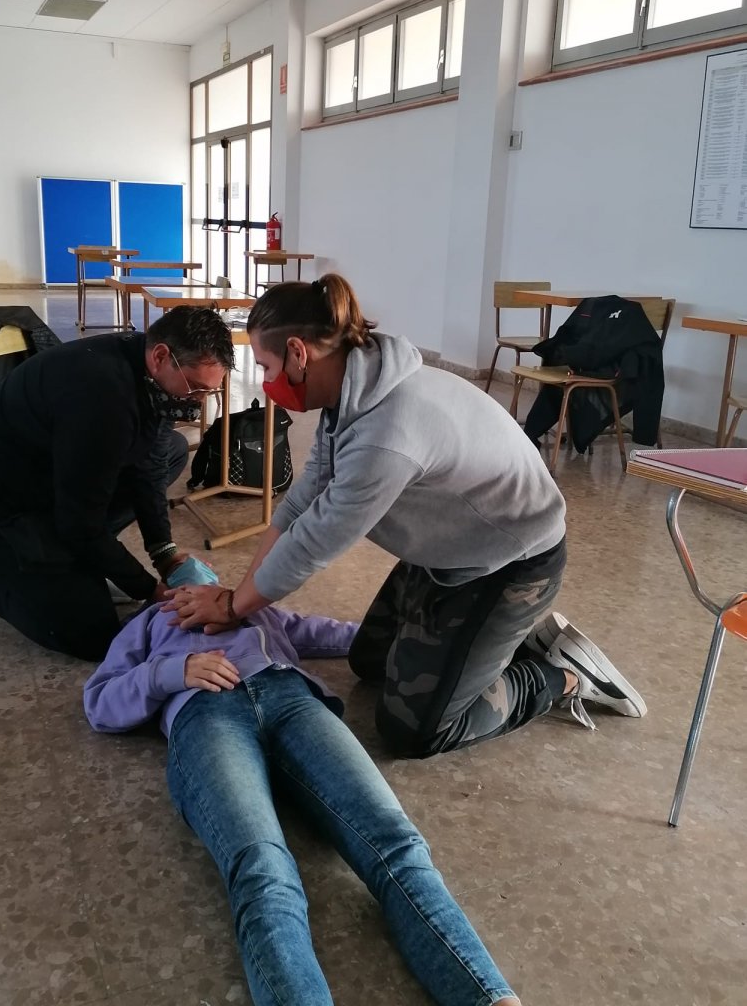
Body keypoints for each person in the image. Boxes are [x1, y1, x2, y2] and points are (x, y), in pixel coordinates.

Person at [162, 274, 646, 753]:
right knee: (370, 662)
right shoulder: (353, 386)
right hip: (449, 547)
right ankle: (499, 641)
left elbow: (311, 545)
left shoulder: (386, 433)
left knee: (415, 731)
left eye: (266, 366)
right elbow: (301, 504)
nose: (268, 382)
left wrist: (233, 606)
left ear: (297, 353)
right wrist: (236, 597)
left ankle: (557, 675)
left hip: (510, 561)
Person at [84, 595, 522, 1006]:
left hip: (291, 699)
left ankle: (492, 998)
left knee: (398, 842)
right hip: (205, 715)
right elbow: (100, 702)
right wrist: (171, 671)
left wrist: (444, 653)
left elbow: (334, 633)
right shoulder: (149, 622)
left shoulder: (251, 604)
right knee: (263, 870)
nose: (189, 579)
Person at [0, 306, 233, 660]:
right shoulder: (102, 395)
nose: (198, 401)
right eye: (195, 388)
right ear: (161, 356)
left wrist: (165, 555)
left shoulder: (151, 374)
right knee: (92, 633)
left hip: (51, 483)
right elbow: (79, 524)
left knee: (172, 451)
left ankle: (77, 561)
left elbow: (148, 468)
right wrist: (148, 588)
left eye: (208, 393)